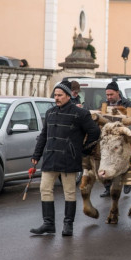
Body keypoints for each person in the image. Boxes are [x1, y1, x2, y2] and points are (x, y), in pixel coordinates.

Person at [30, 81, 100, 236]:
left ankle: (68, 225)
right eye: (55, 95)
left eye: (60, 95)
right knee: (45, 189)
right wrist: (36, 154)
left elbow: (94, 132)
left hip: (69, 159)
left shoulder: (80, 114)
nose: (56, 98)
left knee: (69, 192)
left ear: (68, 96)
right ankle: (48, 224)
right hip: (50, 158)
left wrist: (82, 150)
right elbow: (43, 135)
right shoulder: (50, 113)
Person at [100, 81, 131, 197]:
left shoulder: (127, 103)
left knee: (128, 157)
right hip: (109, 138)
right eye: (107, 95)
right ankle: (107, 187)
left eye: (111, 95)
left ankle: (128, 183)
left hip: (122, 136)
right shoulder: (104, 104)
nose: (109, 97)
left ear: (117, 93)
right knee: (106, 160)